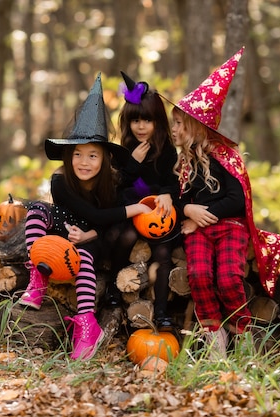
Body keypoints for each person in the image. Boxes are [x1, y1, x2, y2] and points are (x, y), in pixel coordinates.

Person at [168, 48, 280, 358]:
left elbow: (237, 198)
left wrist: (202, 214)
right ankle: (214, 334)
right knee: (198, 276)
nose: (174, 129)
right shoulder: (182, 164)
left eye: (180, 124)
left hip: (229, 228)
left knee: (228, 279)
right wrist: (187, 209)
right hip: (197, 230)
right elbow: (178, 197)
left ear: (197, 126)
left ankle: (241, 330)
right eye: (173, 123)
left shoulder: (225, 158)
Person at [20, 73, 150, 361]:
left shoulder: (111, 185)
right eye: (78, 154)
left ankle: (87, 324)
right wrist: (134, 209)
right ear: (69, 156)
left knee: (86, 259)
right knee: (37, 210)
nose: (84, 162)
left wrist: (91, 234)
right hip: (57, 237)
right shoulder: (60, 182)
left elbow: (107, 223)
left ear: (104, 159)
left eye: (93, 156)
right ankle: (37, 276)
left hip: (88, 244)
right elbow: (91, 214)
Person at [104, 71, 180, 331]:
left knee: (163, 252)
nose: (141, 126)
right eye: (135, 120)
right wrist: (132, 163)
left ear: (157, 122)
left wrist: (168, 193)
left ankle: (161, 311)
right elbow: (118, 186)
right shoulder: (122, 151)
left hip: (158, 217)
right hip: (130, 214)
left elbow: (173, 181)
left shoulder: (167, 151)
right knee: (122, 237)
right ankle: (114, 288)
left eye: (147, 120)